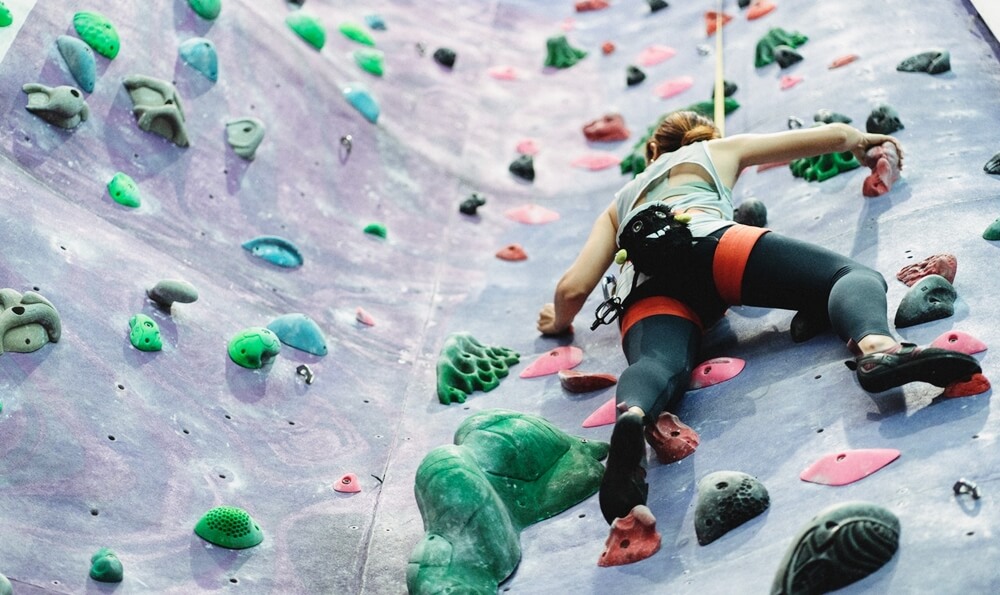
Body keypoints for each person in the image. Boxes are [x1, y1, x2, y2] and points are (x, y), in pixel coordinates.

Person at [536, 111, 982, 525]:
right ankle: (879, 349)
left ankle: (632, 416)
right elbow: (825, 137)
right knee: (847, 276)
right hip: (711, 247)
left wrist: (557, 322)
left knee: (657, 366)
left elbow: (573, 288)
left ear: (651, 152)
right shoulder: (714, 151)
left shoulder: (618, 204)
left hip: (645, 289)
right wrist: (862, 142)